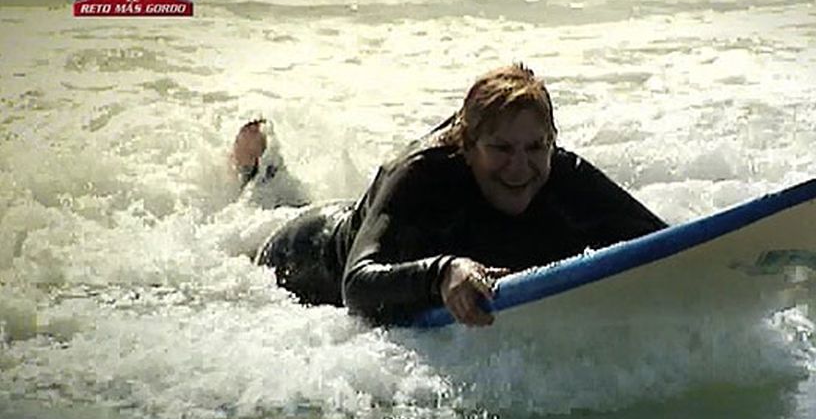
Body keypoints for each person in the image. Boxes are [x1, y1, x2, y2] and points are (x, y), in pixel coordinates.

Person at [236, 64, 667, 327]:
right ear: (468, 146)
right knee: (259, 224)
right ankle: (258, 175)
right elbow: (357, 285)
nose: (520, 167)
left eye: (536, 147)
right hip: (305, 257)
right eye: (500, 149)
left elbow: (666, 244)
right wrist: (443, 273)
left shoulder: (560, 171)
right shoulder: (421, 174)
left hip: (366, 224)